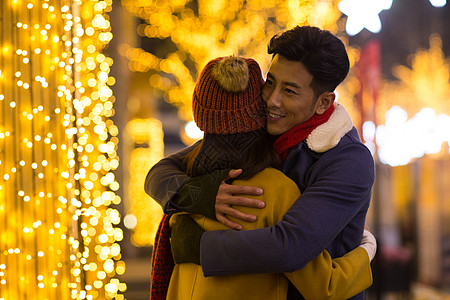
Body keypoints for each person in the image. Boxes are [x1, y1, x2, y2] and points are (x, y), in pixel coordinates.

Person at [146, 26, 375, 300]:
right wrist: (202, 195)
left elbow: (291, 246)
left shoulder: (348, 160)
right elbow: (160, 173)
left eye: (289, 91)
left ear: (323, 103)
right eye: (270, 82)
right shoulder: (259, 131)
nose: (272, 100)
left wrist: (196, 245)